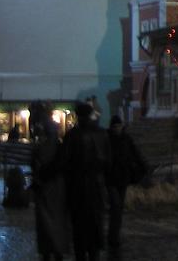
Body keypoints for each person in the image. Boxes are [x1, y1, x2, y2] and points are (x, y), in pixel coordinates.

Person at [63, 101, 111, 261]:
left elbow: (64, 162)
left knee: (79, 229)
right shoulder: (102, 134)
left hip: (78, 187)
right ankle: (94, 254)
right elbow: (109, 161)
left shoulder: (72, 135)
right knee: (95, 225)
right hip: (97, 186)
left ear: (78, 116)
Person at [32, 105, 69, 260]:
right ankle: (56, 248)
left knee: (47, 219)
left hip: (47, 185)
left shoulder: (42, 145)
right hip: (55, 185)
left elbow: (37, 162)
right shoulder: (57, 145)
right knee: (56, 218)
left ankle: (49, 248)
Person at [107, 115, 146, 250]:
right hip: (111, 179)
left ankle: (114, 236)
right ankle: (113, 237)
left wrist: (143, 167)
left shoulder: (126, 139)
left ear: (122, 126)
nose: (117, 128)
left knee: (118, 209)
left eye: (119, 126)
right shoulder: (108, 139)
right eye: (115, 126)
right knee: (116, 207)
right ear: (111, 127)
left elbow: (135, 154)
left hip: (122, 179)